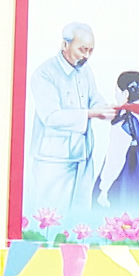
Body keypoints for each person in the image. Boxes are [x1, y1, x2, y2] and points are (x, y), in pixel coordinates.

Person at [27, 22, 111, 225]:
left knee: (80, 220)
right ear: (65, 45)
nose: (87, 55)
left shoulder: (85, 69)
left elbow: (93, 96)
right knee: (51, 219)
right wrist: (91, 114)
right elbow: (51, 116)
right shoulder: (44, 73)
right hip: (54, 160)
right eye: (83, 49)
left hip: (83, 156)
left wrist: (104, 108)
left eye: (91, 50)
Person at [101, 70, 139, 211]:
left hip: (125, 173)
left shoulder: (124, 120)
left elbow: (115, 158)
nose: (116, 96)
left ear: (125, 94)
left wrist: (104, 188)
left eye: (117, 92)